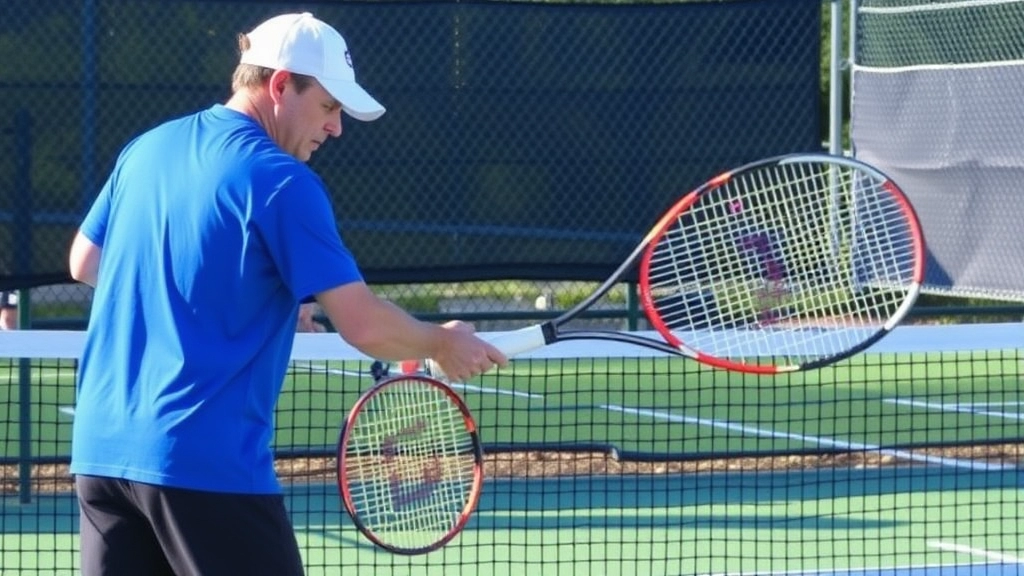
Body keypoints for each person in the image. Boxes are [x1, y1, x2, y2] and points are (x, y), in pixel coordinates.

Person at [66, 12, 506, 576]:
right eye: (327, 107)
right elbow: (364, 325)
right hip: (203, 466)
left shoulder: (145, 149)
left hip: (100, 459)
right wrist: (439, 342)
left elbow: (85, 260)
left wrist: (245, 295)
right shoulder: (281, 180)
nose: (336, 128)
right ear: (279, 86)